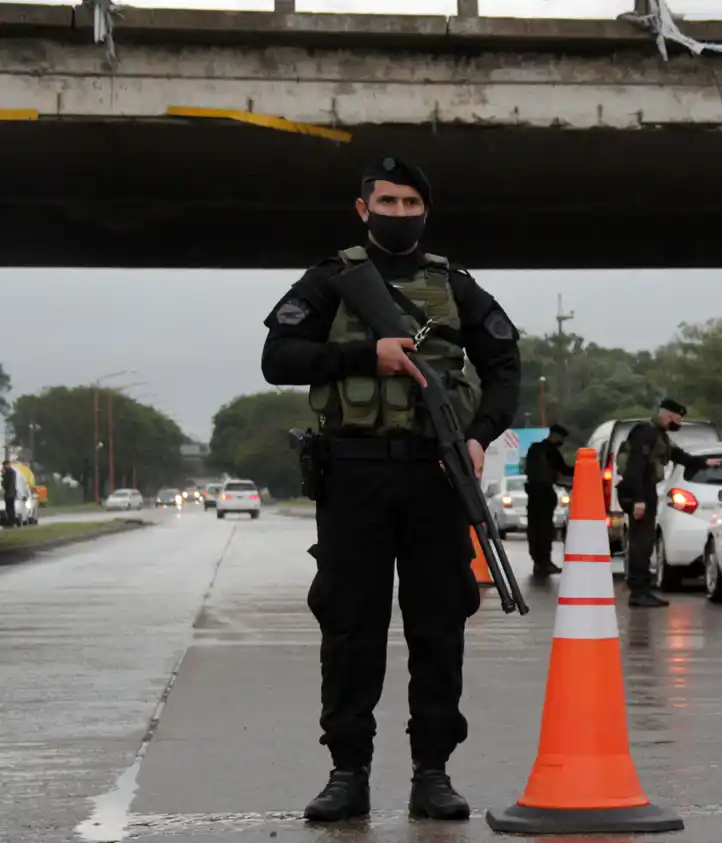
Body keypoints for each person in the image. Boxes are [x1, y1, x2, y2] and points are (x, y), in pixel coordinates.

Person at [259, 155, 521, 824]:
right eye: (388, 202)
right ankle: (347, 773)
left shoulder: (453, 285)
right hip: (353, 477)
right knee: (351, 626)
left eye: (410, 203)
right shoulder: (330, 279)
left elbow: (504, 367)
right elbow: (278, 358)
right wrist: (363, 355)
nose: (399, 214)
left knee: (439, 625)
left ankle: (433, 772)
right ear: (363, 208)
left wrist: (478, 436)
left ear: (425, 212)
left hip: (437, 475)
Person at [615, 399, 722, 608]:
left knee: (645, 543)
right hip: (639, 491)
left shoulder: (659, 435)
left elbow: (678, 455)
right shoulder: (645, 432)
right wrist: (638, 499)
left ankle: (642, 590)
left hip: (645, 490)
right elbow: (636, 466)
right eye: (678, 418)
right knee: (641, 543)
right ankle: (639, 592)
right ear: (668, 415)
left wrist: (704, 462)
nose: (679, 422)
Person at [522, 424, 573, 577]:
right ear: (556, 435)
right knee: (545, 529)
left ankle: (538, 562)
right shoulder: (551, 451)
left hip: (532, 493)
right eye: (562, 438)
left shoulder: (533, 449)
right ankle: (545, 562)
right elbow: (565, 470)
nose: (562, 442)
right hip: (544, 493)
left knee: (534, 528)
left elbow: (528, 470)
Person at [2, 460, 14, 529]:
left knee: (9, 508)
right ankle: (11, 520)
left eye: (4, 465)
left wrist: (3, 475)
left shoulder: (8, 472)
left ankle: (10, 521)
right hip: (12, 493)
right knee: (11, 507)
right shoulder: (12, 471)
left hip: (9, 493)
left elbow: (6, 482)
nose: (4, 467)